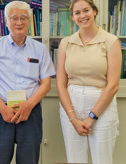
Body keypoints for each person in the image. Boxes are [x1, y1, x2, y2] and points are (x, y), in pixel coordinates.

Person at [0, 1, 55, 164]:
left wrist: (28, 105)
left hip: (31, 111)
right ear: (6, 21)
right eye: (14, 18)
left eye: (24, 18)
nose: (19, 22)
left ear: (29, 21)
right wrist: (3, 109)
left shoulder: (40, 49)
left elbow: (46, 84)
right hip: (2, 111)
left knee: (29, 160)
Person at [56, 0, 122, 164]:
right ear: (72, 17)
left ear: (94, 11)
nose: (82, 16)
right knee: (75, 160)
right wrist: (73, 118)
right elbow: (60, 85)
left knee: (103, 160)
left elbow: (113, 85)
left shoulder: (111, 41)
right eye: (77, 13)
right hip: (71, 105)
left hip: (102, 105)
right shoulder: (66, 43)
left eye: (86, 10)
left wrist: (91, 117)